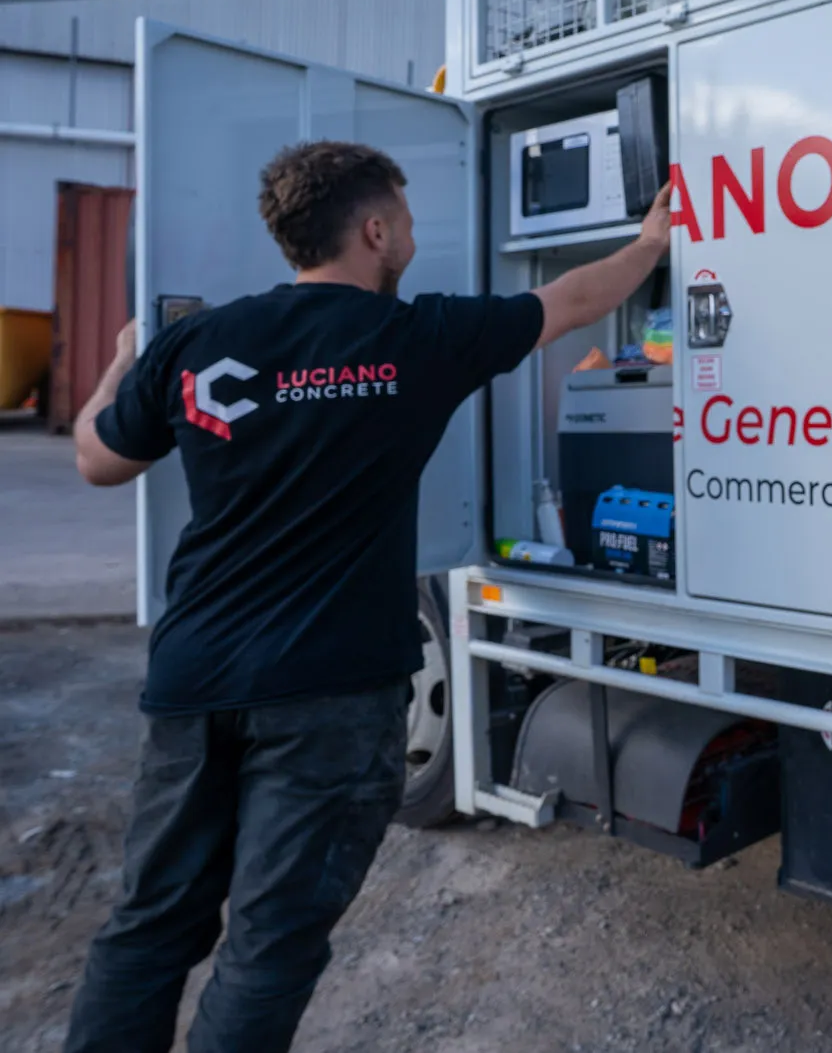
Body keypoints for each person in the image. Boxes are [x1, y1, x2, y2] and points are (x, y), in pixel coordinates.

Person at [64, 140, 672, 1053]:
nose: (414, 239)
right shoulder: (413, 341)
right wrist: (652, 243)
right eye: (408, 222)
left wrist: (118, 370)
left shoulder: (197, 343)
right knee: (269, 946)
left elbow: (97, 458)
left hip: (194, 684)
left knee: (148, 924)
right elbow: (574, 301)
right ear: (375, 230)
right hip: (333, 695)